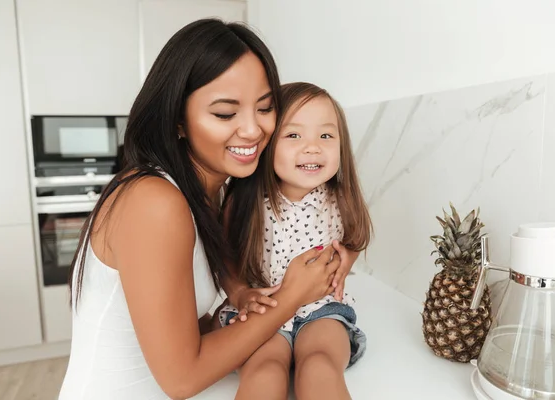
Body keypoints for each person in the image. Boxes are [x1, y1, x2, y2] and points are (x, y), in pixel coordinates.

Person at [58, 20, 355, 400]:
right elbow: (181, 378)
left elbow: (184, 330)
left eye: (264, 108)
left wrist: (250, 304)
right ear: (179, 119)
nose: (252, 130)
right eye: (225, 114)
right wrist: (291, 298)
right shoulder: (154, 201)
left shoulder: (209, 194)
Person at [218, 82, 374, 400]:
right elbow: (223, 257)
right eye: (294, 135)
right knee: (265, 369)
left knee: (319, 365)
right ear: (268, 144)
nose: (312, 147)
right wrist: (240, 292)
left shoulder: (339, 199)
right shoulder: (247, 201)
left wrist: (347, 262)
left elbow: (355, 238)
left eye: (326, 136)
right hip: (265, 308)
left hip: (322, 309)